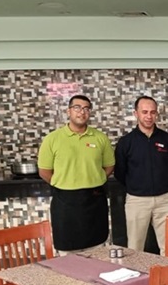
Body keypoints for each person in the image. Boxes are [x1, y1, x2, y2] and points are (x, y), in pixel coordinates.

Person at [38, 94, 115, 252]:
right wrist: (63, 182)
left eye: (86, 108)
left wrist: (94, 178)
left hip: (94, 200)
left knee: (98, 251)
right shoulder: (52, 139)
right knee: (68, 254)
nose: (82, 112)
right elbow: (44, 171)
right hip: (65, 202)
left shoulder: (100, 138)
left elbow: (109, 166)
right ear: (68, 111)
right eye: (77, 108)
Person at [114, 96, 168, 256]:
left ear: (157, 114)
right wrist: (137, 187)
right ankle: (134, 273)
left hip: (164, 200)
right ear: (135, 113)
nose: (149, 116)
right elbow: (120, 172)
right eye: (144, 112)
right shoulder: (126, 142)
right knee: (134, 247)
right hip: (137, 201)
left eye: (152, 112)